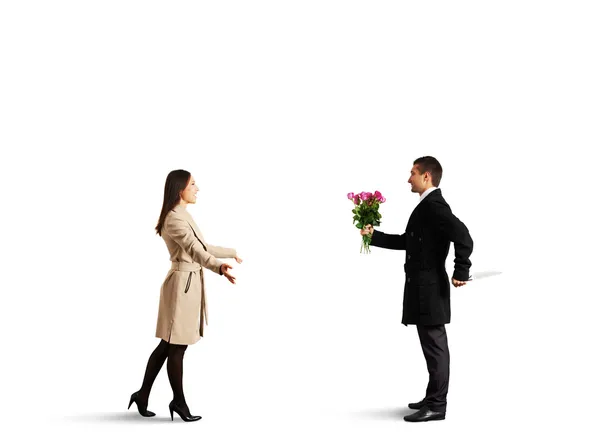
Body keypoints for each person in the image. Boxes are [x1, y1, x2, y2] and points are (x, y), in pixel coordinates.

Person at [360, 156, 473, 422]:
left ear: (426, 177)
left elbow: (463, 236)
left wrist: (461, 270)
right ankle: (432, 397)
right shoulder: (426, 207)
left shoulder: (434, 206)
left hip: (430, 289)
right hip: (423, 289)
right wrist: (373, 236)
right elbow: (409, 242)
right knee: (431, 347)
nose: (408, 178)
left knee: (435, 347)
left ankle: (437, 405)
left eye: (412, 173)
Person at [128, 169, 242, 422]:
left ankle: (142, 394)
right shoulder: (174, 219)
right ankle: (178, 401)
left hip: (188, 284)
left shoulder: (183, 215)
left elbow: (202, 247)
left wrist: (231, 252)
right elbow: (194, 249)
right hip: (182, 287)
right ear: (180, 189)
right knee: (176, 346)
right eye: (193, 184)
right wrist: (219, 268)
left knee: (169, 345)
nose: (197, 188)